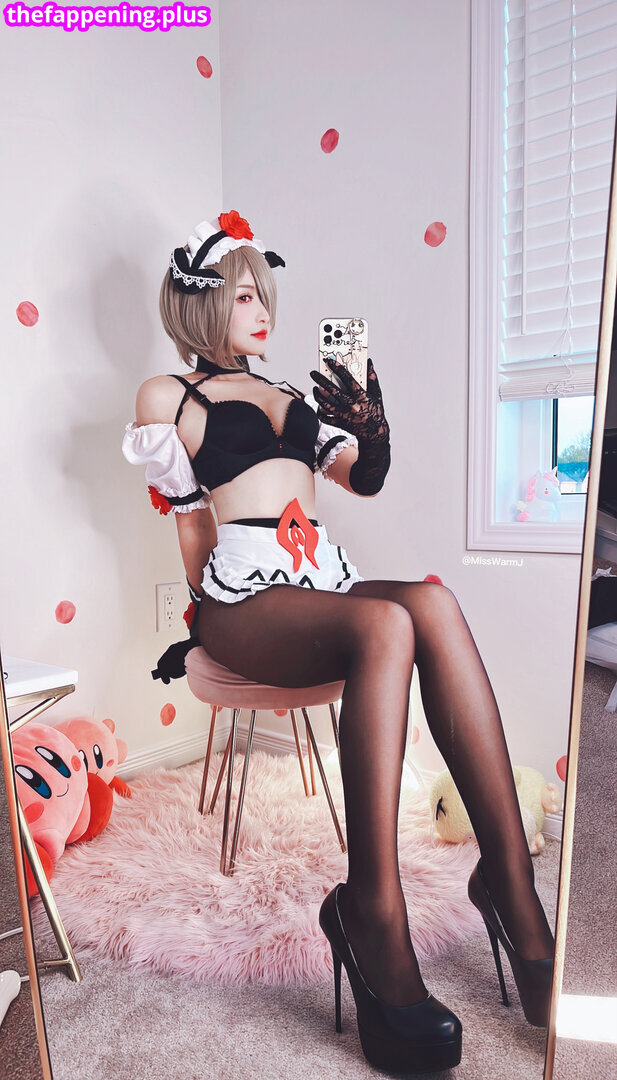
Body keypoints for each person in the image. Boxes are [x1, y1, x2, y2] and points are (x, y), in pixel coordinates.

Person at [122, 211, 555, 1075]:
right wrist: (202, 616)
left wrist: (373, 427)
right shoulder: (169, 396)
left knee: (429, 604)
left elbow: (363, 478)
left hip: (317, 582)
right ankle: (373, 914)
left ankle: (510, 889)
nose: (262, 309)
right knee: (384, 621)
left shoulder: (292, 393)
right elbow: (188, 521)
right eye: (245, 294)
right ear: (202, 303)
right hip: (241, 597)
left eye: (265, 294)